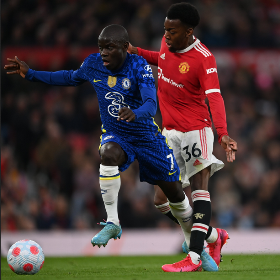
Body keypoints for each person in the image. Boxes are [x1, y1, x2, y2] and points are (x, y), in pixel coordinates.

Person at [5, 24, 203, 272]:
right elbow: (68, 77)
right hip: (116, 134)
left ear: (123, 47)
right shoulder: (93, 64)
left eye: (109, 47)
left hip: (147, 136)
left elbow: (152, 104)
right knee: (107, 154)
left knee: (175, 196)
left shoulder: (138, 65)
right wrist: (31, 73)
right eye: (101, 47)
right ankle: (112, 222)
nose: (104, 53)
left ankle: (197, 245)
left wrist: (136, 112)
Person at [128, 2, 238, 272]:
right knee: (161, 200)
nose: (166, 35)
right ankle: (213, 236)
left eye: (172, 31)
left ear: (189, 32)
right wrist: (137, 52)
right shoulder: (167, 44)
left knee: (200, 190)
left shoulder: (203, 58)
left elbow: (215, 97)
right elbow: (161, 58)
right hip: (169, 133)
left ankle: (195, 255)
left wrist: (222, 134)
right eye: (165, 29)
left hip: (195, 131)